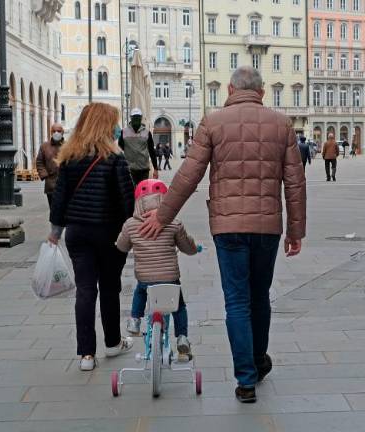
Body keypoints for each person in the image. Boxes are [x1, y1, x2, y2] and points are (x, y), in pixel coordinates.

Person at [137, 66, 306, 404]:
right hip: (267, 228)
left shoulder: (212, 123)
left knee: (237, 301)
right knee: (259, 297)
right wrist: (295, 231)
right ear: (262, 91)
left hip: (228, 227)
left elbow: (189, 174)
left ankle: (246, 380)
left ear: (230, 88)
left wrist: (163, 215)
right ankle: (258, 361)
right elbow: (295, 182)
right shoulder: (282, 124)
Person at [48, 103, 136, 371]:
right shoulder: (116, 158)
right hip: (109, 234)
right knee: (110, 287)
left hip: (77, 233)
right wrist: (131, 233)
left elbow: (59, 199)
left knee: (85, 290)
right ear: (105, 126)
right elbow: (127, 201)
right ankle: (112, 343)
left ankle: (86, 355)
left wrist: (54, 234)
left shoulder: (69, 157)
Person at [116, 179, 198, 362]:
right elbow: (187, 247)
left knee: (140, 291)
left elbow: (121, 247)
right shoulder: (174, 223)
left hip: (145, 279)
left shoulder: (130, 224)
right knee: (179, 306)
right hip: (170, 279)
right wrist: (194, 248)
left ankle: (135, 320)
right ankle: (182, 337)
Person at [119, 108, 159, 185]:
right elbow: (120, 148)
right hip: (129, 169)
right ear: (131, 118)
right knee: (131, 192)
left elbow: (151, 151)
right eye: (134, 117)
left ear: (141, 118)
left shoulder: (147, 133)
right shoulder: (124, 132)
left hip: (143, 169)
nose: (136, 119)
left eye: (138, 117)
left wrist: (156, 168)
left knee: (142, 193)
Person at [36, 123, 64, 209]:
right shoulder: (44, 146)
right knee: (53, 208)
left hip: (65, 182)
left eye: (58, 131)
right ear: (51, 132)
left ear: (62, 132)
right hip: (50, 183)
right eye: (54, 131)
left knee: (64, 208)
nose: (56, 133)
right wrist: (45, 175)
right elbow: (39, 162)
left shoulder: (68, 146)